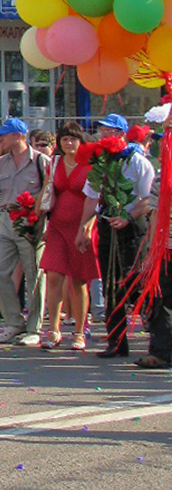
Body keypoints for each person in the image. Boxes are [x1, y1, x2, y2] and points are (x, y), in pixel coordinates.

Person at [0, 118, 49, 346]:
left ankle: (35, 327)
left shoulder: (41, 161)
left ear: (19, 136)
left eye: (6, 134)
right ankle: (14, 321)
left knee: (34, 274)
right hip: (6, 218)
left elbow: (49, 192)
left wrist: (40, 221)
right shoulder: (1, 163)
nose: (1, 138)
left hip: (30, 219)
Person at [95, 113, 154, 359]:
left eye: (109, 131)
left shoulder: (137, 161)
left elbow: (148, 198)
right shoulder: (99, 161)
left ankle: (160, 335)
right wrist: (84, 226)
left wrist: (128, 217)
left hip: (132, 227)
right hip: (108, 225)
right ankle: (117, 342)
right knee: (110, 287)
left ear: (121, 134)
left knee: (136, 282)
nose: (104, 135)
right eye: (101, 131)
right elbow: (91, 195)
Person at [38, 125, 99, 352]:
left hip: (81, 227)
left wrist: (87, 227)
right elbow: (47, 192)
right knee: (53, 276)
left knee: (79, 280)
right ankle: (53, 329)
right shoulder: (54, 163)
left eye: (73, 139)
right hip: (57, 226)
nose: (69, 143)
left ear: (81, 141)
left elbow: (97, 201)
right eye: (64, 139)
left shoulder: (91, 165)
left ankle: (80, 332)